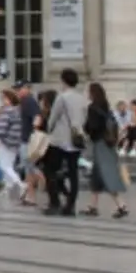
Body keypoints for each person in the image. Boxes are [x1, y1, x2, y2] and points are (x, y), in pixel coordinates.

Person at [81, 82, 128, 218]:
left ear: (92, 93)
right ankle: (93, 206)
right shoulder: (106, 107)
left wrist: (86, 128)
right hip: (108, 143)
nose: (87, 94)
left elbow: (93, 127)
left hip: (100, 143)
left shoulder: (92, 108)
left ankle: (121, 205)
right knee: (97, 175)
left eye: (88, 92)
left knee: (107, 174)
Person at [45, 68, 86, 216]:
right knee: (73, 173)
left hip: (61, 139)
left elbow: (53, 118)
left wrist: (48, 131)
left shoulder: (62, 97)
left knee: (50, 170)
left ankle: (55, 202)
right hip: (77, 139)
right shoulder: (82, 98)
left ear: (63, 81)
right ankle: (70, 205)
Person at [0, 88, 25, 200]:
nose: (0, 101)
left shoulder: (7, 111)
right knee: (9, 165)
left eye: (2, 98)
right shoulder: (17, 110)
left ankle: (20, 184)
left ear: (8, 99)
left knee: (3, 165)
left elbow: (1, 128)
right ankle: (8, 187)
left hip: (6, 141)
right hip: (15, 141)